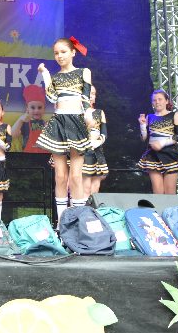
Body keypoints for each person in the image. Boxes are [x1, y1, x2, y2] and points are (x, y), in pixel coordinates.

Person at [34, 37, 93, 221]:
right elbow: (52, 98)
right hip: (59, 122)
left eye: (63, 52)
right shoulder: (56, 77)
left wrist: (88, 113)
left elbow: (85, 97)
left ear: (73, 52)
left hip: (77, 122)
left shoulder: (84, 72)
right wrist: (45, 74)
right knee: (60, 176)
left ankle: (78, 219)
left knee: (76, 176)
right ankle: (61, 222)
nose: (59, 56)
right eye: (56, 53)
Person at [136, 89, 178, 195]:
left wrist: (162, 143)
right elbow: (144, 138)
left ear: (166, 101)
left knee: (170, 191)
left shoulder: (174, 115)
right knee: (158, 191)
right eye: (154, 100)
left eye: (160, 99)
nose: (157, 102)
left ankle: (171, 207)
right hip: (153, 156)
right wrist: (142, 126)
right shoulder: (149, 117)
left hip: (170, 154)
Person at [82, 85, 109, 196]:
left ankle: (93, 206)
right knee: (85, 187)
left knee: (95, 187)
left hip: (97, 151)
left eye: (93, 94)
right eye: (88, 93)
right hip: (83, 151)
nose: (91, 96)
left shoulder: (99, 112)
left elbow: (104, 133)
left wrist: (97, 142)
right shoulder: (76, 113)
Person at [13, 84, 49, 153]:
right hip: (28, 156)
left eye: (39, 108)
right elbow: (13, 134)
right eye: (33, 107)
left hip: (43, 156)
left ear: (44, 109)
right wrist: (20, 120)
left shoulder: (46, 124)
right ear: (27, 108)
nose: (36, 110)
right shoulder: (24, 123)